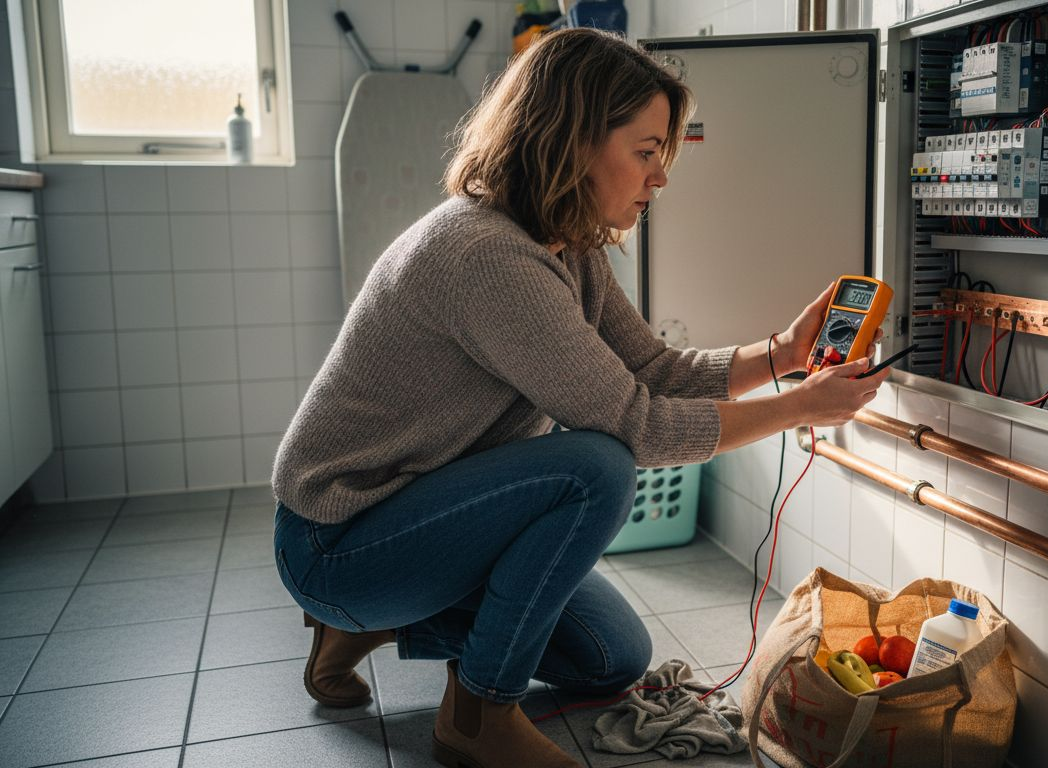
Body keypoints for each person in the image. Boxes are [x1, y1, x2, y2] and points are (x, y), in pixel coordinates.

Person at [271, 27, 885, 768]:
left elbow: (651, 368)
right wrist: (800, 408)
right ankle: (478, 714)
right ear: (572, 143)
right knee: (597, 466)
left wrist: (782, 355)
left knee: (611, 658)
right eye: (646, 150)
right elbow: (638, 426)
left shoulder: (566, 242)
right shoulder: (487, 256)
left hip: (425, 516)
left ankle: (369, 627)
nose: (661, 176)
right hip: (338, 544)